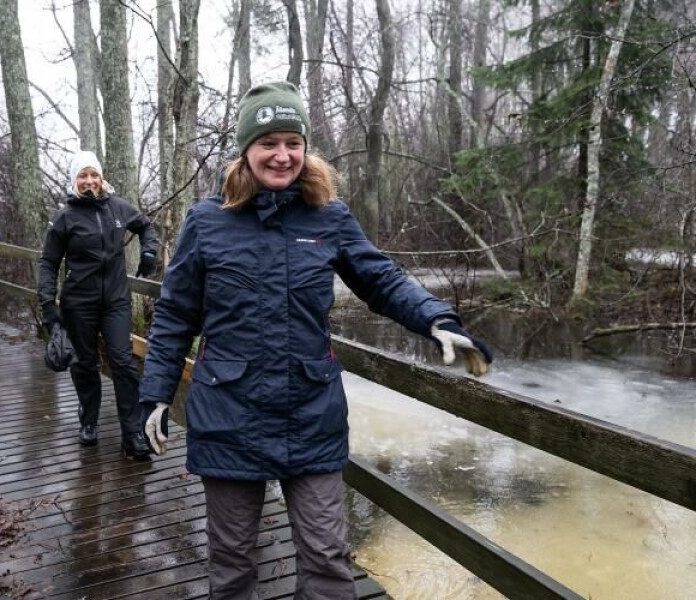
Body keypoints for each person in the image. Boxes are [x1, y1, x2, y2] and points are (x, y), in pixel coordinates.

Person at [139, 82, 494, 599]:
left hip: (311, 411)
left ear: (306, 149)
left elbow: (382, 280)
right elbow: (175, 313)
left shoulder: (329, 217)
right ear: (246, 149)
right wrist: (155, 393)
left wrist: (436, 320)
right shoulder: (207, 222)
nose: (282, 155)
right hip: (228, 413)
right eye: (268, 142)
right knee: (232, 560)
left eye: (293, 142)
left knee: (327, 557)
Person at [37, 150, 159, 457]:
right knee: (85, 363)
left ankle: (132, 432)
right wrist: (48, 304)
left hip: (116, 300)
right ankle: (89, 420)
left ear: (101, 178)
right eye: (83, 176)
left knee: (123, 362)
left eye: (94, 175)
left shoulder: (118, 207)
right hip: (79, 303)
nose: (90, 181)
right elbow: (48, 262)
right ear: (74, 181)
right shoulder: (64, 217)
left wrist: (149, 253)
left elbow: (146, 226)